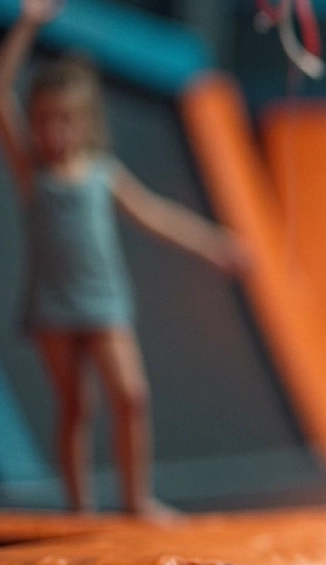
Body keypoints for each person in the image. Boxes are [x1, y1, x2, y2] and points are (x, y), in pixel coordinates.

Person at [2, 0, 246, 518]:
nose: (54, 133)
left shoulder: (101, 172)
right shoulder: (33, 176)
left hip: (104, 301)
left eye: (66, 121)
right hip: (53, 306)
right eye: (45, 121)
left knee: (132, 395)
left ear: (86, 123)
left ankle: (137, 501)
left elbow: (155, 214)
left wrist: (211, 242)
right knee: (75, 408)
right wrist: (25, 24)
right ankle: (80, 508)